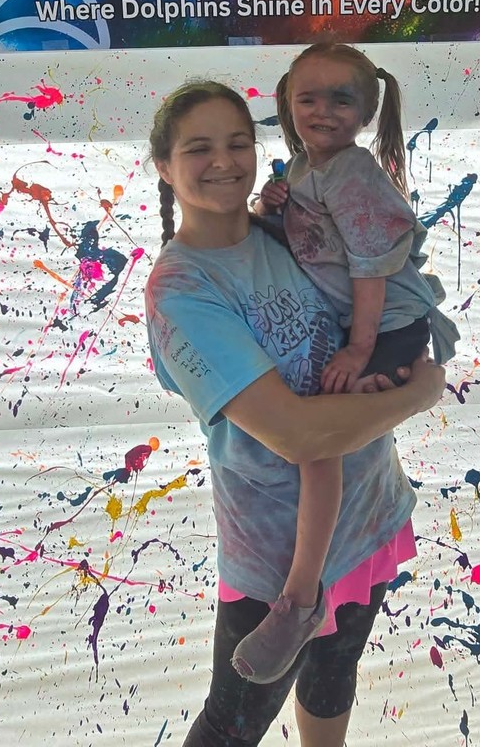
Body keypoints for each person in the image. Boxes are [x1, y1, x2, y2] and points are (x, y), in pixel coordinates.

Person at [145, 79, 447, 747]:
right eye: (198, 148)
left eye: (236, 142)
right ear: (163, 166)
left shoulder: (284, 233)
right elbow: (294, 434)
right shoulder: (183, 291)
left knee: (334, 672)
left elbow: (373, 270)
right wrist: (419, 394)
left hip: (366, 508)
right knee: (233, 722)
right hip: (276, 560)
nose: (223, 160)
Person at [232, 43, 460, 683]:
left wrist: (361, 350)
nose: (322, 111)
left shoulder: (353, 171)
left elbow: (370, 267)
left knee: (320, 434)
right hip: (362, 323)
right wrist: (270, 213)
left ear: (366, 110)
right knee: (322, 434)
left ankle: (301, 598)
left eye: (341, 99)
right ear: (286, 103)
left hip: (386, 322)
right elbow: (314, 248)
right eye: (308, 98)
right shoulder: (309, 168)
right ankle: (313, 587)